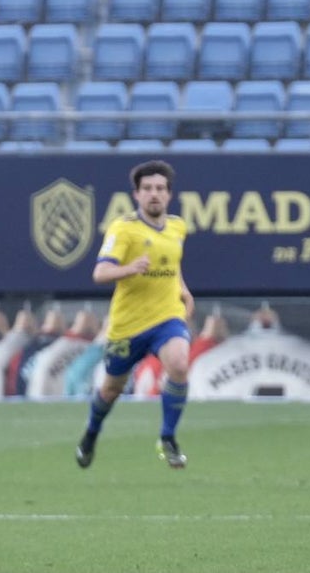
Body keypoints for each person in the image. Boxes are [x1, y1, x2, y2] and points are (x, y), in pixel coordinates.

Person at [75, 160, 195, 470]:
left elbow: (171, 262)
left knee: (180, 364)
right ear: (136, 195)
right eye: (147, 189)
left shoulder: (178, 227)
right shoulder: (123, 229)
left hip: (166, 317)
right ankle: (91, 433)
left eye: (159, 188)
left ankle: (167, 437)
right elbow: (100, 272)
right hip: (128, 325)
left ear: (169, 195)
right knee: (112, 389)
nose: (153, 194)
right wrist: (129, 269)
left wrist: (183, 288)